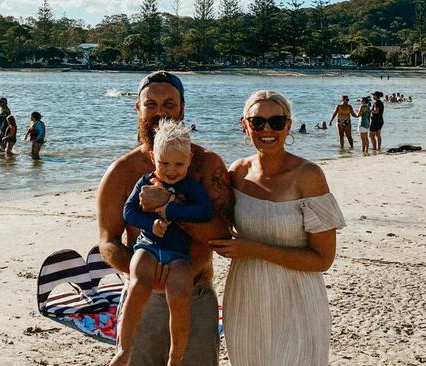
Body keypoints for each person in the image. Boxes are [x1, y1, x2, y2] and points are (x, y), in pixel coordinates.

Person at [97, 70, 233, 366]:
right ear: (138, 108)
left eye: (169, 104)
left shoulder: (207, 164)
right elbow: (107, 241)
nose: (160, 112)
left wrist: (170, 204)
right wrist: (144, 277)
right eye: (151, 104)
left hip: (195, 294)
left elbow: (223, 233)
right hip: (143, 297)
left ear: (182, 107)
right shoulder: (122, 171)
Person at [209, 90, 345, 365]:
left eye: (276, 122)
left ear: (289, 125)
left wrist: (253, 249)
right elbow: (209, 222)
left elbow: (323, 259)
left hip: (299, 300)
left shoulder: (308, 176)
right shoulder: (236, 173)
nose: (267, 129)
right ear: (244, 126)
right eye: (257, 122)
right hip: (247, 298)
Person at [111, 119, 213, 366]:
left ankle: (175, 356)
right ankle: (124, 350)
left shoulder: (189, 187)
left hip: (178, 253)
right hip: (147, 247)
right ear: (153, 158)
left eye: (179, 164)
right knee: (138, 286)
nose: (171, 170)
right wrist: (151, 224)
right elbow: (129, 212)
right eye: (164, 162)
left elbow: (205, 211)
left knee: (179, 296)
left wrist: (171, 209)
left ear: (189, 160)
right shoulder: (145, 182)